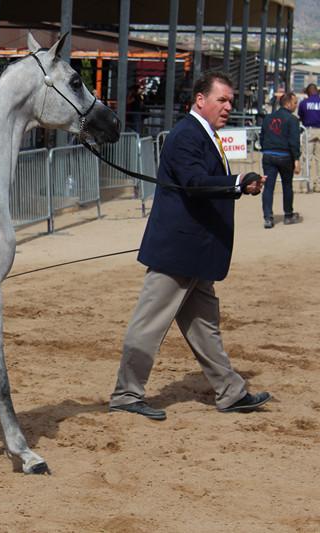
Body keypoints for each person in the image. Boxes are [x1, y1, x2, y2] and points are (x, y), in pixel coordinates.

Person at [109, 71, 271, 421]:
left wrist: (241, 185)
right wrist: (237, 182)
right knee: (148, 325)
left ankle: (230, 391)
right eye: (222, 100)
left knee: (204, 326)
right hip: (178, 251)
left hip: (197, 252)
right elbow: (195, 183)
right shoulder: (186, 134)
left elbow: (207, 183)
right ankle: (126, 393)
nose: (228, 106)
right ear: (200, 100)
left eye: (231, 100)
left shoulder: (206, 135)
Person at [260, 92, 301, 228]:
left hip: (268, 155)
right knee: (287, 186)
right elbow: (294, 142)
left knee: (268, 187)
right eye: (295, 103)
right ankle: (288, 215)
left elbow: (262, 137)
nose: (296, 105)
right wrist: (296, 159)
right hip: (285, 156)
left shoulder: (268, 118)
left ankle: (268, 218)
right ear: (288, 103)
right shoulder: (292, 120)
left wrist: (265, 149)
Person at [298, 83, 320, 189]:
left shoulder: (304, 103)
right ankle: (318, 184)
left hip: (309, 130)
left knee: (307, 158)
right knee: (319, 159)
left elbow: (301, 116)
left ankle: (305, 184)